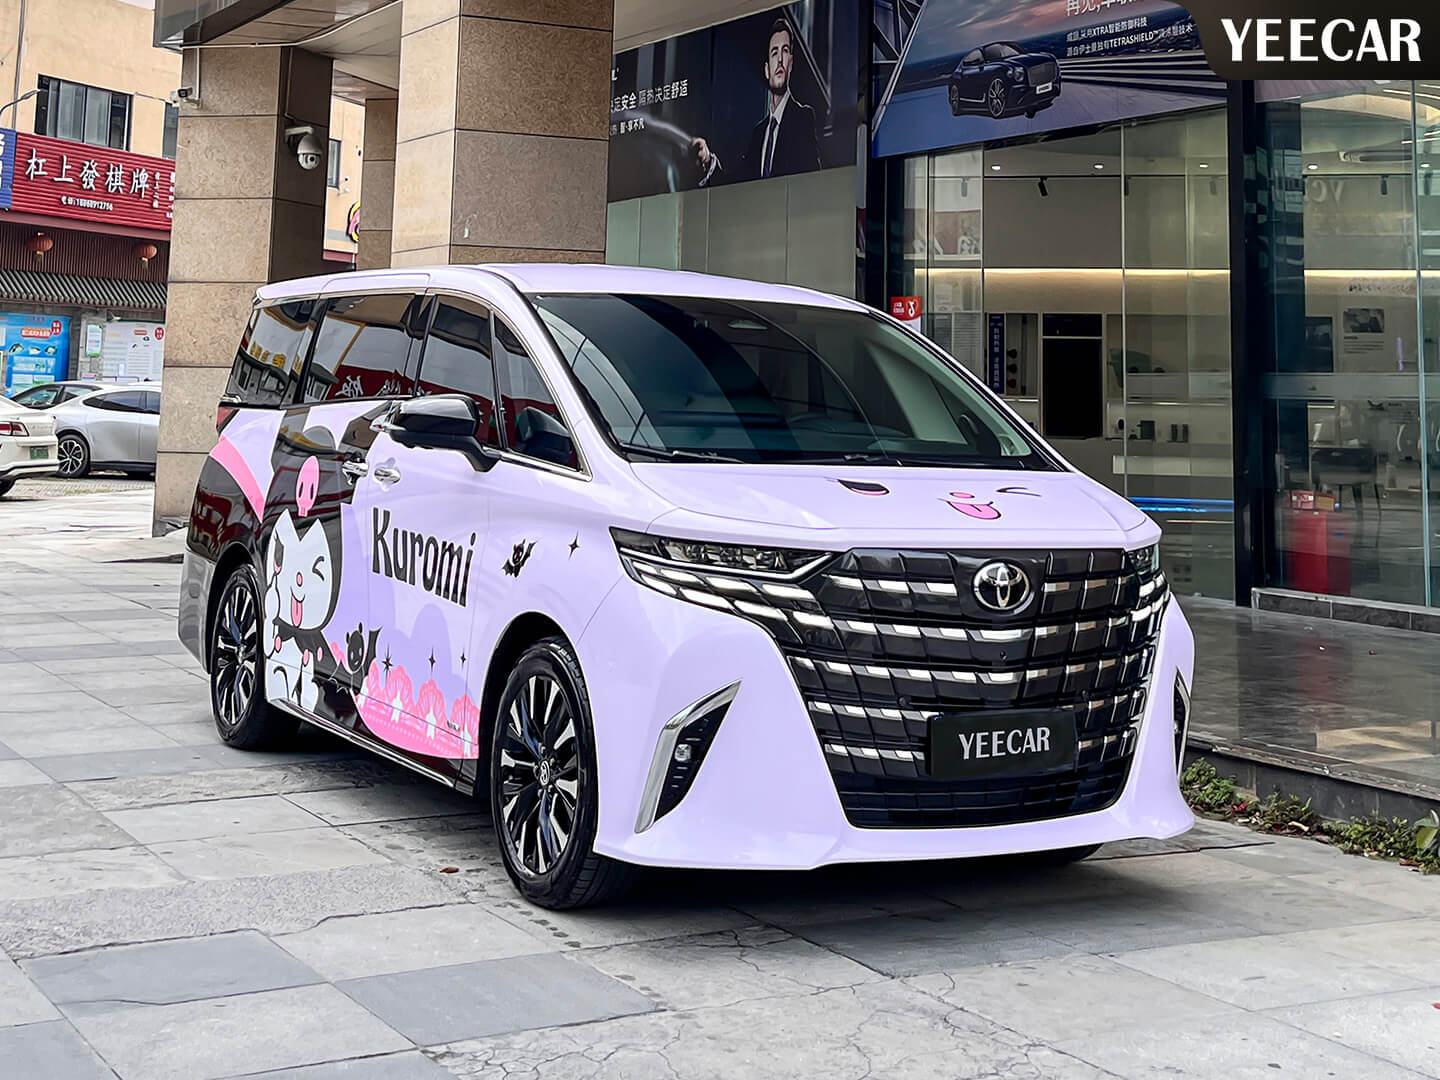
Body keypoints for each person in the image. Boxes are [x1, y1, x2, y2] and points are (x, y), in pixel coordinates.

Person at [692, 18, 821, 185]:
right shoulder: (759, 133)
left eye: (785, 51)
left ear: (791, 63)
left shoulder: (803, 117)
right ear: (767, 70)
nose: (780, 60)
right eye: (774, 52)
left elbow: (813, 181)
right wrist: (708, 159)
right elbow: (737, 183)